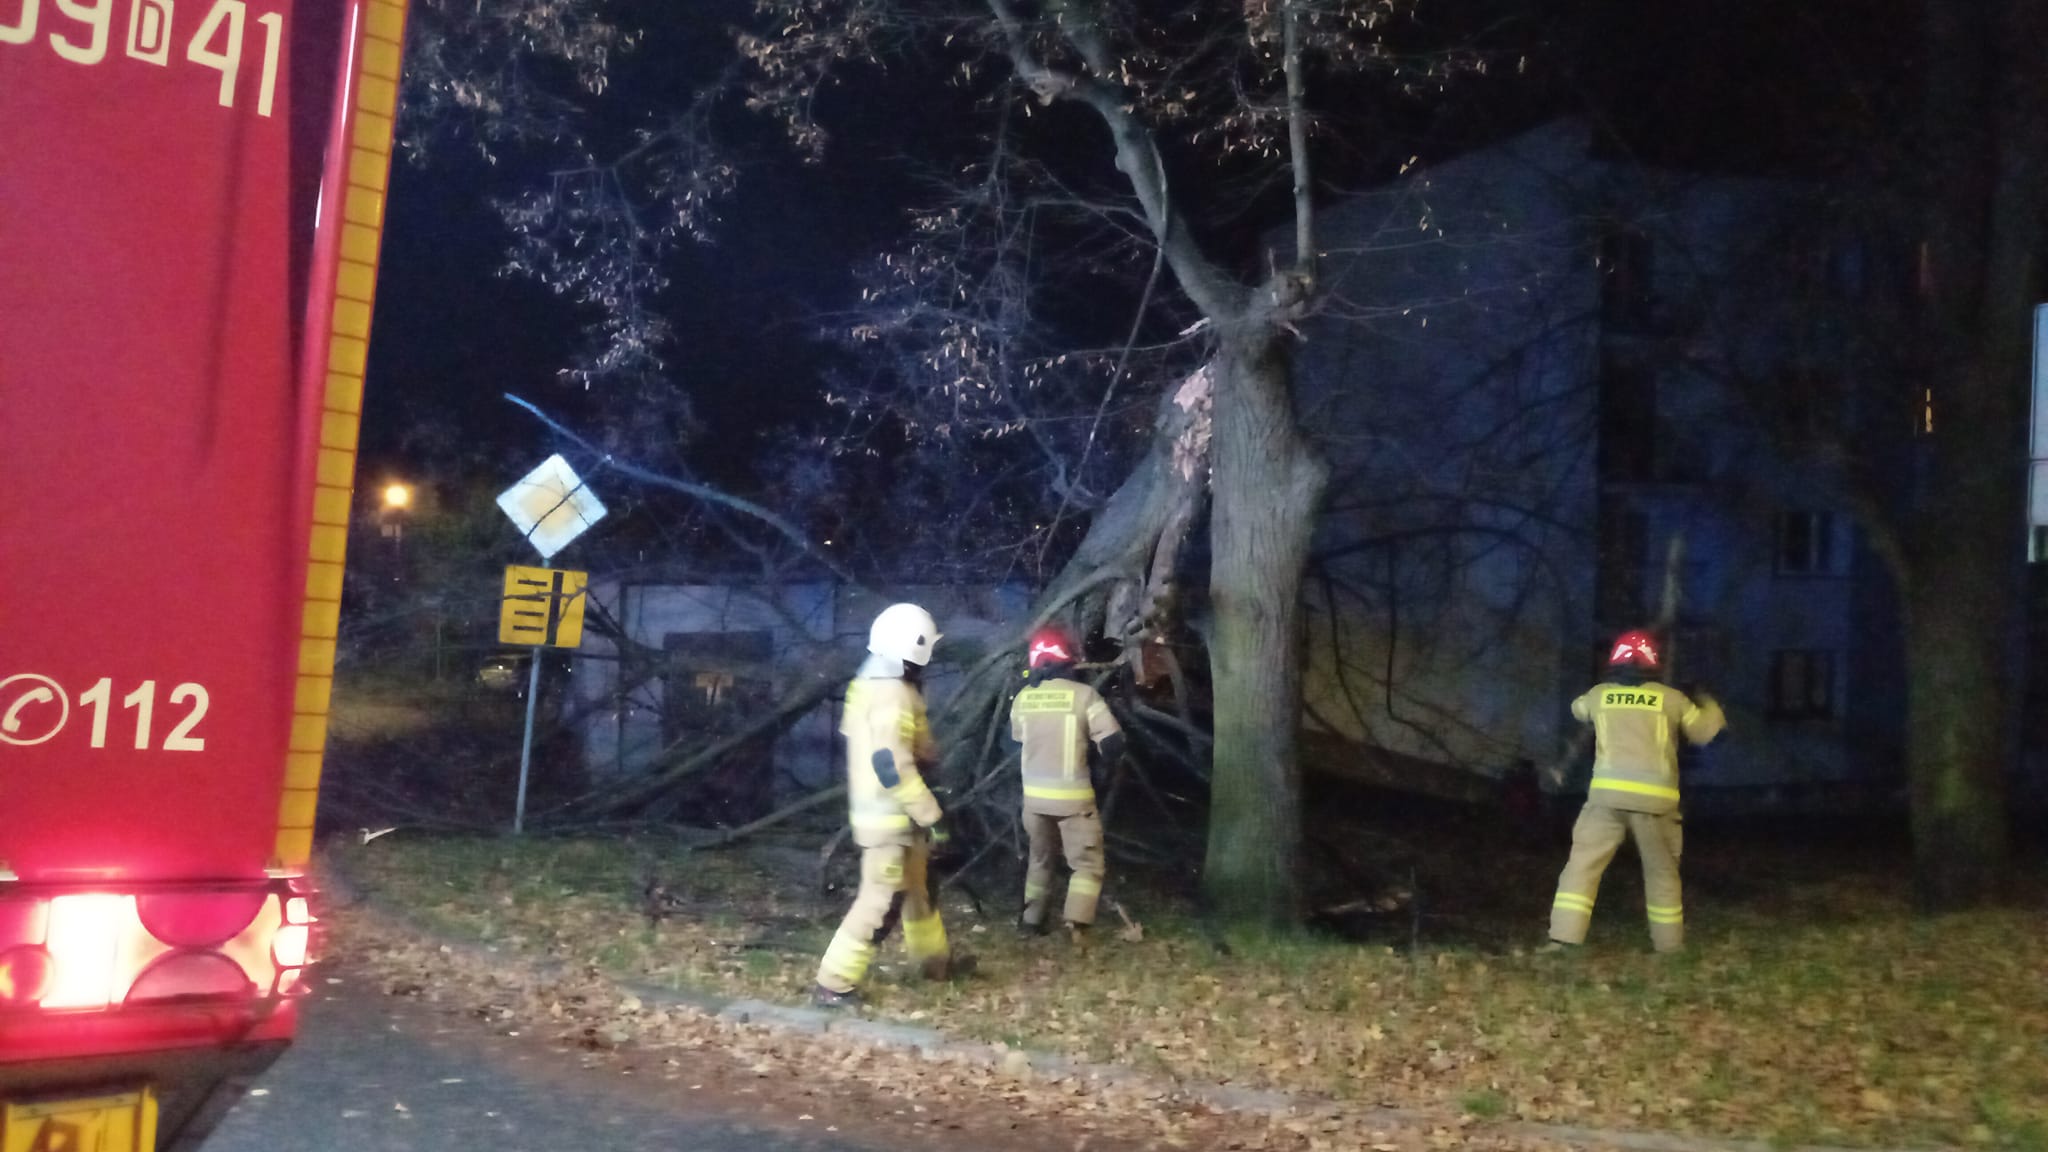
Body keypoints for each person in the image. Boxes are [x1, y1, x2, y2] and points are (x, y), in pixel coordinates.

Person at [813, 603, 971, 1007]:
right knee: (880, 898)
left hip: (895, 812)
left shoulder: (874, 685)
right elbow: (893, 766)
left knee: (919, 889)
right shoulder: (891, 695)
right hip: (889, 815)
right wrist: (933, 817)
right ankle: (833, 983)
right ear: (913, 650)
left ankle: (935, 963)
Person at [1546, 630, 1725, 954]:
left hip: (1606, 800)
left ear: (1614, 662)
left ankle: (1563, 940)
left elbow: (1578, 708)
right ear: (1653, 663)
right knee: (1662, 875)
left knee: (1582, 867)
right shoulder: (1673, 700)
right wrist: (1708, 700)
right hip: (1656, 804)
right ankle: (1669, 948)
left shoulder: (1600, 696)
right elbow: (1704, 733)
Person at [1008, 625, 1125, 938]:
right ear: (1068, 659)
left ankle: (1031, 922)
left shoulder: (1023, 698)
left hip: (1033, 802)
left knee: (1040, 860)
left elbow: (1019, 737)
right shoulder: (1084, 696)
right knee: (1087, 864)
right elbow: (1113, 743)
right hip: (1074, 800)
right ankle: (1077, 926)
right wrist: (1105, 768)